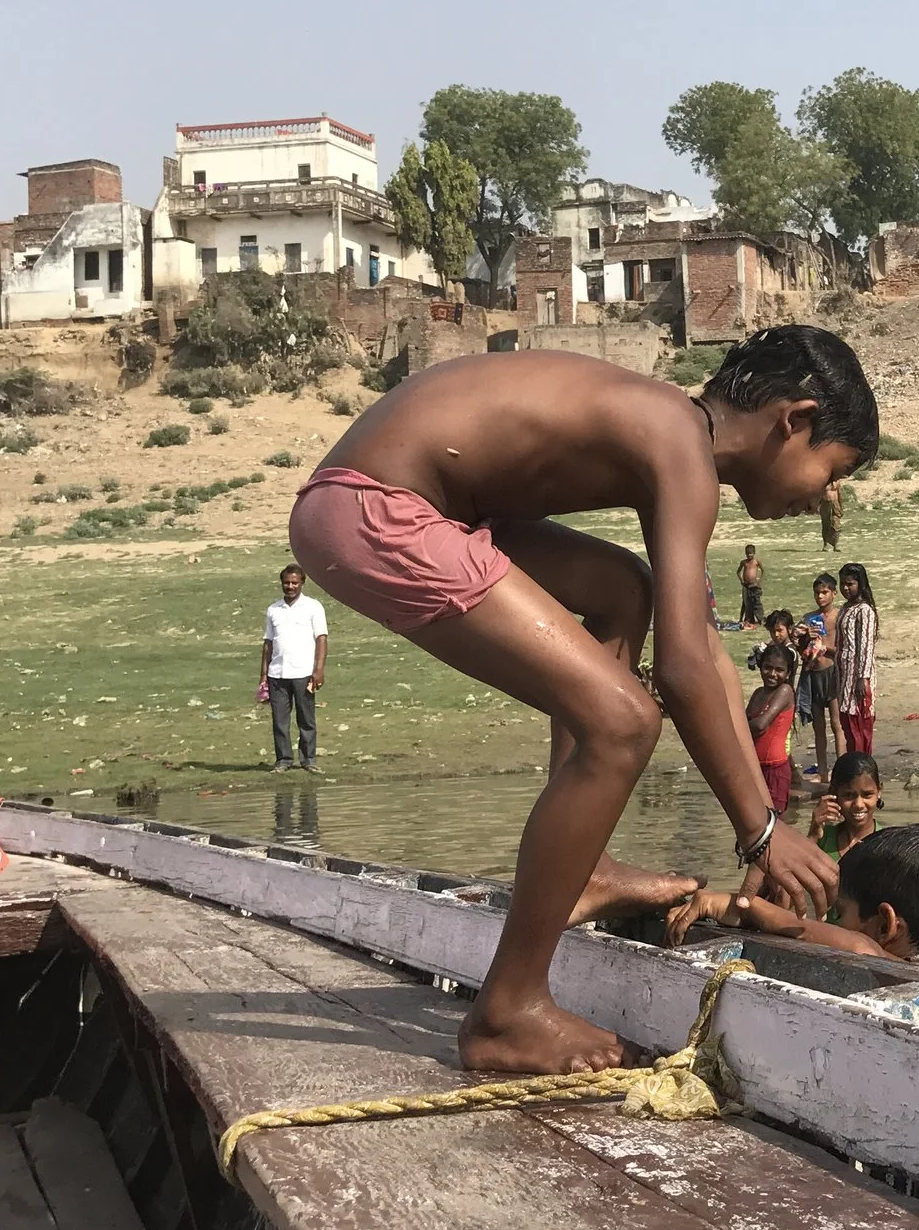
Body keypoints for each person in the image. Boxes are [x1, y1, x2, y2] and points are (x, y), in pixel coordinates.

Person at [287, 325, 876, 1075]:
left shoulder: (670, 432)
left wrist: (763, 808)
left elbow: (703, 651)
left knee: (620, 591)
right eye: (835, 469)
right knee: (624, 721)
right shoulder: (679, 444)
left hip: (417, 503)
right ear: (793, 420)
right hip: (374, 508)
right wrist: (761, 832)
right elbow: (684, 673)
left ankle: (586, 867)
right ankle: (507, 1011)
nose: (827, 495)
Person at [670, 824, 919, 964]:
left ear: (886, 926)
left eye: (840, 912)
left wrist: (734, 904)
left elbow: (849, 944)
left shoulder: (873, 955)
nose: (833, 923)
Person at [261, 563, 328, 771]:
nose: (290, 586)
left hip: (303, 672)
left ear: (302, 584)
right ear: (282, 583)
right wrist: (263, 675)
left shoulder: (313, 607)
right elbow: (268, 643)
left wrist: (318, 670)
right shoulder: (273, 609)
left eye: (294, 583)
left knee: (306, 718)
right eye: (287, 583)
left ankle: (308, 760)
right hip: (277, 673)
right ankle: (283, 760)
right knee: (279, 720)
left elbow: (321, 639)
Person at [798, 571, 841, 781]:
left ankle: (841, 769)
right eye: (817, 593)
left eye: (824, 592)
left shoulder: (839, 617)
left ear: (834, 593)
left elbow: (844, 649)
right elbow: (802, 650)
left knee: (836, 722)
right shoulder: (809, 618)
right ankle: (823, 771)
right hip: (813, 673)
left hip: (831, 672)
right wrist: (804, 638)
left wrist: (825, 646)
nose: (820, 597)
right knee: (819, 727)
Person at [745, 643, 798, 815]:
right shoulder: (758, 693)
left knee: (775, 823)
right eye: (767, 668)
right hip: (755, 766)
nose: (772, 674)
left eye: (779, 670)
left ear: (788, 673)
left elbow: (761, 725)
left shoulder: (785, 691)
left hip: (775, 769)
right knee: (755, 820)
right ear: (760, 666)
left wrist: (737, 728)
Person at [835, 562, 878, 757]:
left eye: (850, 584)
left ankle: (862, 769)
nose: (845, 588)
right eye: (842, 584)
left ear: (860, 584)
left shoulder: (864, 610)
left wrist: (863, 677)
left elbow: (866, 646)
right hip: (844, 676)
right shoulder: (845, 608)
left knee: (860, 726)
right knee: (847, 724)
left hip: (859, 679)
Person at [809, 750, 881, 857]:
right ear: (833, 793)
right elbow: (795, 869)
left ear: (879, 792)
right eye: (849, 795)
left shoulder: (887, 843)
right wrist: (813, 834)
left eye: (867, 795)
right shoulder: (823, 838)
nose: (859, 804)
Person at [736, 543, 765, 627]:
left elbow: (763, 570)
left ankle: (760, 619)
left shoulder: (756, 562)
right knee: (745, 602)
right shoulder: (744, 562)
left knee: (756, 602)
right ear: (745, 554)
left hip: (754, 585)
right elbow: (738, 572)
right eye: (748, 554)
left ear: (754, 553)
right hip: (746, 585)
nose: (749, 555)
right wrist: (741, 580)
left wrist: (759, 582)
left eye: (751, 553)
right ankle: (743, 618)